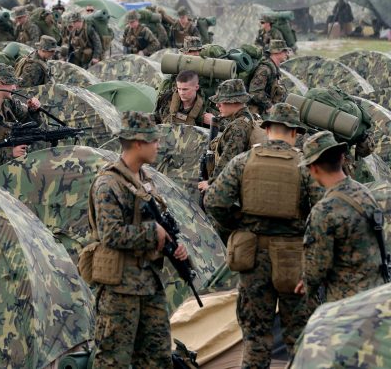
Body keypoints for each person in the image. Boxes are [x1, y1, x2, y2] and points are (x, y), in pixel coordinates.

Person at [205, 104, 322, 367]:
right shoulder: (306, 166)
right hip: (293, 259)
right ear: (294, 132)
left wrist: (238, 225)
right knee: (299, 337)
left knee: (256, 338)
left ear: (267, 129)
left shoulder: (243, 161)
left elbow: (214, 201)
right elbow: (322, 210)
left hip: (253, 256)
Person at [88, 111, 189, 368]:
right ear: (137, 143)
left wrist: (172, 246)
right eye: (153, 140)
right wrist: (151, 233)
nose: (158, 145)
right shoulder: (108, 183)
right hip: (120, 288)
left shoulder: (145, 180)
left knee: (158, 358)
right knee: (114, 360)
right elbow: (111, 234)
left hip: (148, 284)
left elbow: (157, 224)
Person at [298, 131, 386, 307]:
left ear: (313, 168)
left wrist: (305, 285)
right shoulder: (365, 192)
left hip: (346, 304)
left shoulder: (324, 210)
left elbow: (316, 267)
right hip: (377, 293)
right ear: (341, 159)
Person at [198, 79, 255, 193]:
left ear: (234, 101)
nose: (217, 105)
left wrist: (211, 183)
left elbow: (228, 160)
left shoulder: (239, 127)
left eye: (222, 101)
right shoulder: (248, 118)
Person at [247, 39, 289, 116]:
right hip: (257, 112)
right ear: (277, 51)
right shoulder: (265, 69)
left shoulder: (274, 68)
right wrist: (269, 106)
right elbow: (255, 92)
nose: (287, 54)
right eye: (284, 51)